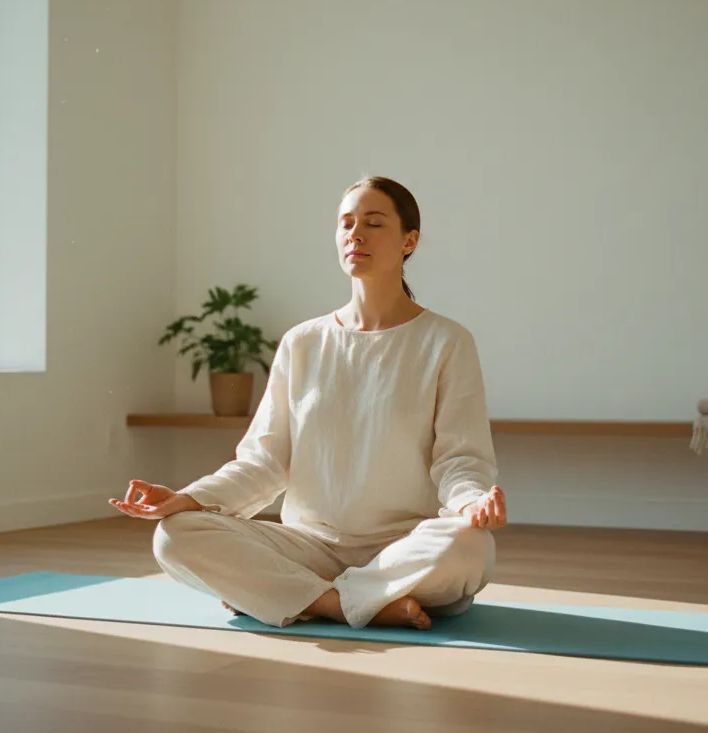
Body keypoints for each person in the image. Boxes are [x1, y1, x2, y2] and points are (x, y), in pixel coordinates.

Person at [109, 176, 506, 630]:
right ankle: (347, 602)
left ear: (409, 241)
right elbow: (263, 463)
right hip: (308, 545)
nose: (355, 234)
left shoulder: (447, 342)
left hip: (403, 546)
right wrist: (189, 499)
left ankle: (300, 593)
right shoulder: (303, 342)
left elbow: (460, 458)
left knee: (470, 547)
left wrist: (472, 503)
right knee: (174, 537)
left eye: (373, 223)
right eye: (346, 223)